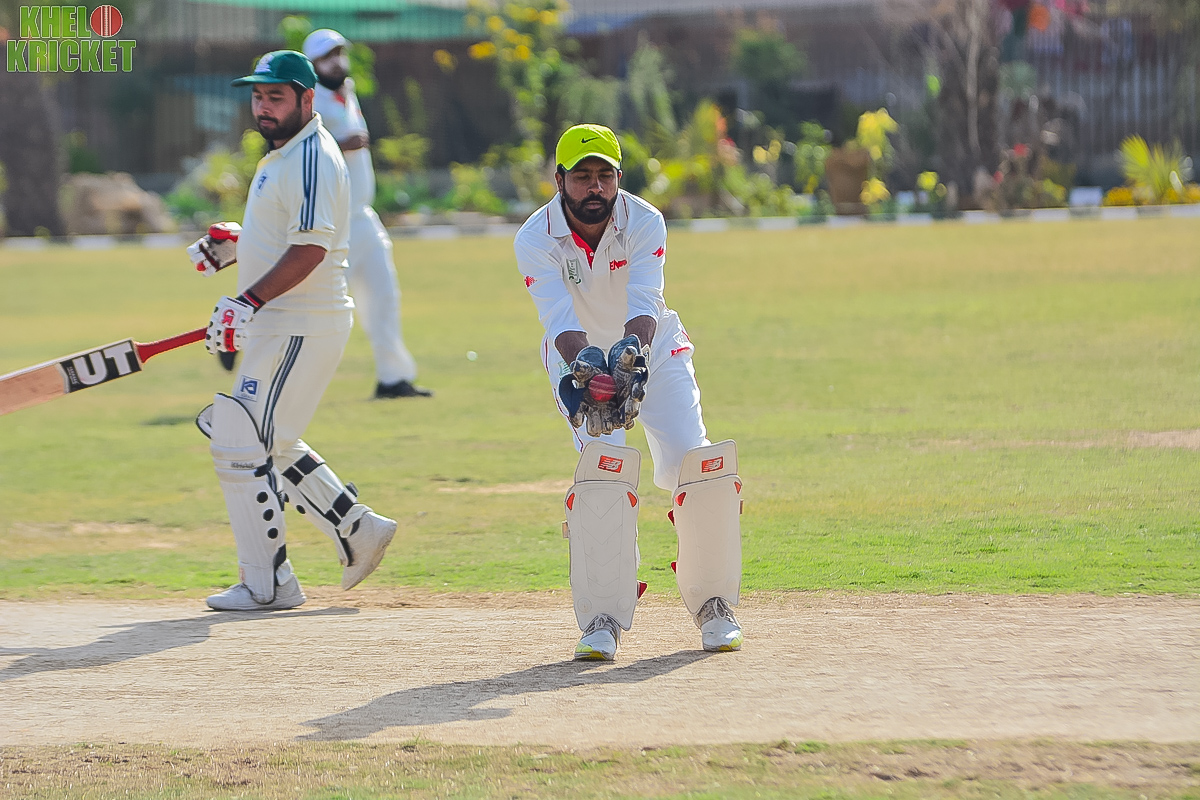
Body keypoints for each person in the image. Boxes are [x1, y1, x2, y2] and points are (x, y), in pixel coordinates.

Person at [514, 124, 744, 660]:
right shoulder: (533, 237)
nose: (594, 187)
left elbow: (645, 298)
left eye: (605, 175)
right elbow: (558, 317)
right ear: (559, 180)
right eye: (582, 176)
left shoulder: (644, 220)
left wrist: (629, 358)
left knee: (694, 464)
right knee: (604, 474)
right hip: (578, 362)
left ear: (618, 178)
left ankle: (715, 606)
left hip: (652, 351)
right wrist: (589, 368)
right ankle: (602, 619)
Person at [187, 50, 397, 611]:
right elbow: (287, 236)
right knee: (265, 438)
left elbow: (311, 248)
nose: (263, 107)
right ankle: (358, 529)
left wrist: (247, 299)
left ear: (307, 98)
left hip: (302, 322)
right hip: (282, 321)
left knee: (241, 438)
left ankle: (269, 583)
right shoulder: (283, 154)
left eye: (275, 96)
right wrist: (238, 246)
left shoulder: (311, 156)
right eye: (258, 96)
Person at [302, 28, 432, 399]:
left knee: (384, 296)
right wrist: (340, 144)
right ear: (312, 65)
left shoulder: (347, 90)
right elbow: (302, 150)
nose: (336, 62)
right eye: (326, 57)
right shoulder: (309, 101)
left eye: (339, 53)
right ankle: (267, 361)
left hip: (362, 215)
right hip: (331, 222)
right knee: (315, 305)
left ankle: (393, 378)